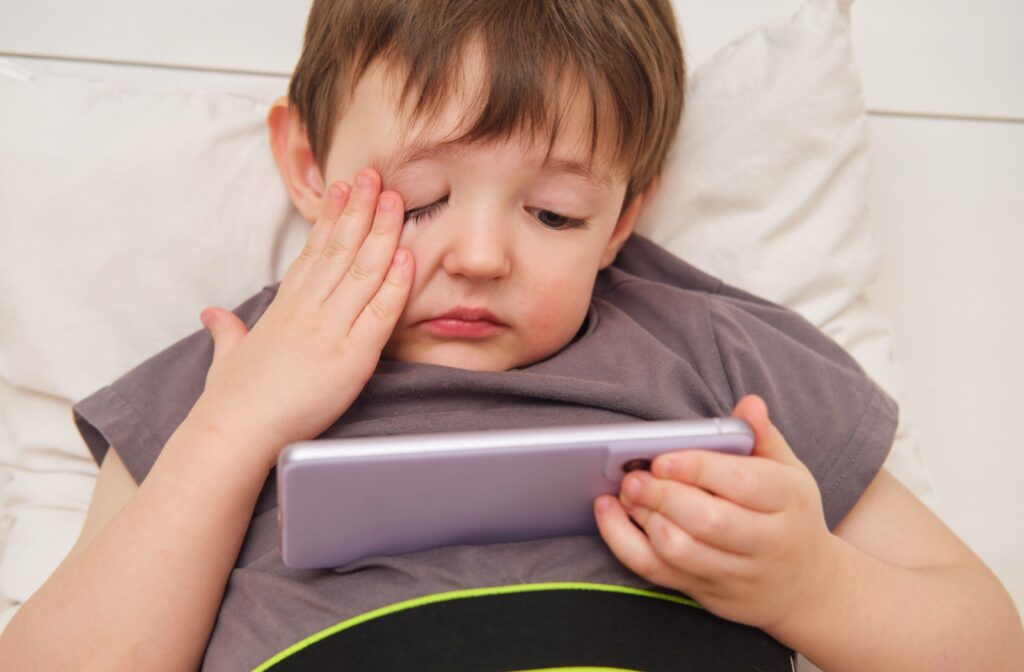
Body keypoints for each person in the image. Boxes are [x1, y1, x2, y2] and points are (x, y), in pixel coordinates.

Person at [2, 0, 1021, 670]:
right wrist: (230, 437)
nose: (482, 255)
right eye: (418, 198)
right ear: (307, 164)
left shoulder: (719, 356)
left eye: (555, 215)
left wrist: (810, 584)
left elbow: (984, 643)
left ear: (626, 214)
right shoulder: (229, 379)